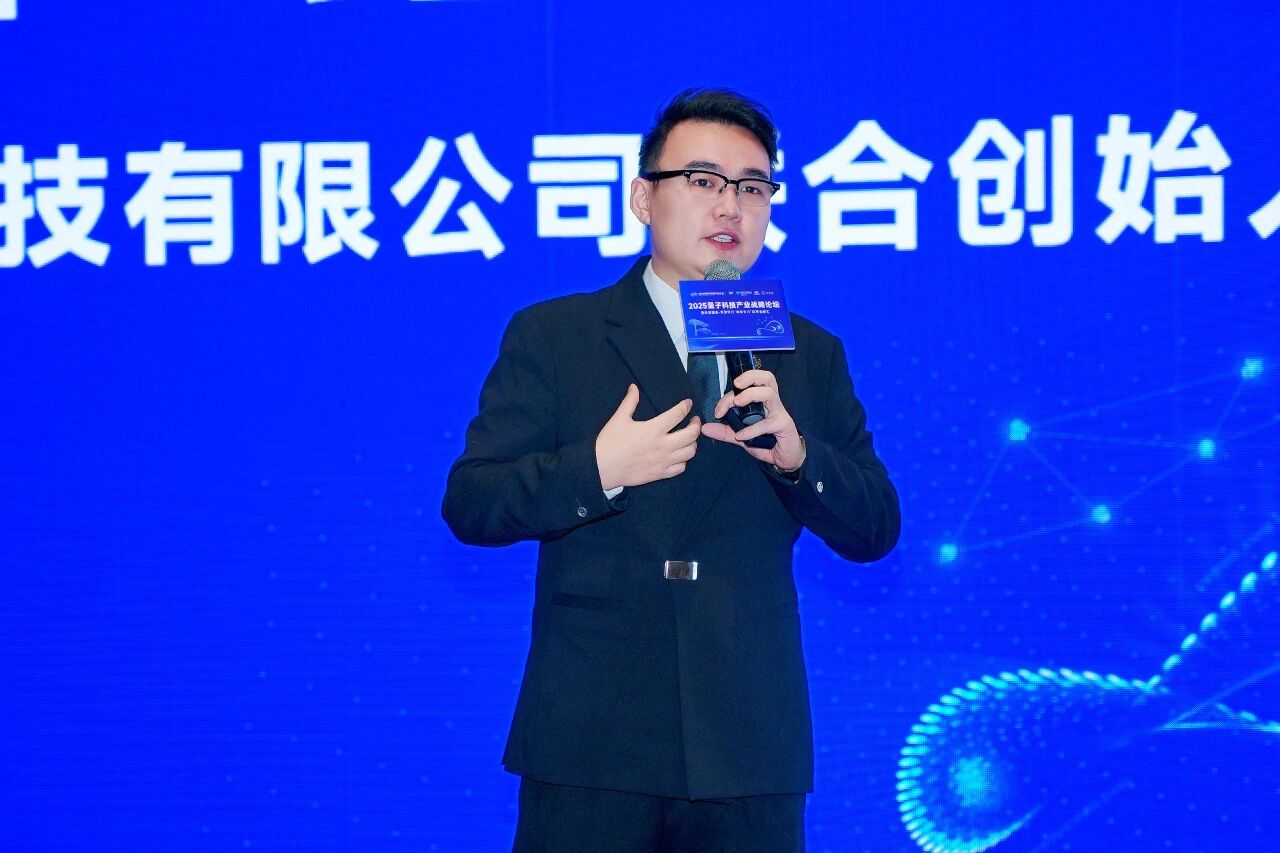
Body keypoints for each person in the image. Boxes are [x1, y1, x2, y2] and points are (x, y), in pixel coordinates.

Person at [442, 88, 900, 852]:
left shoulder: (808, 352)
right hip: (592, 740)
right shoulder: (557, 334)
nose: (730, 206)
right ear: (642, 198)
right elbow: (471, 501)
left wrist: (799, 459)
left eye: (753, 187)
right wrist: (597, 469)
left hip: (748, 742)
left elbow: (876, 526)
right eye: (703, 180)